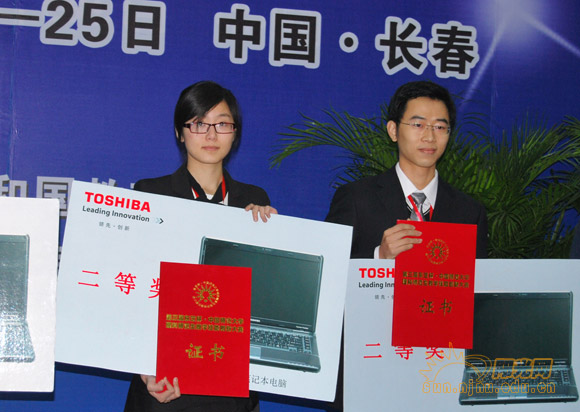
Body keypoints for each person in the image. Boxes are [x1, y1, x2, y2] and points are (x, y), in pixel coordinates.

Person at [324, 80, 488, 411]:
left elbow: (479, 294)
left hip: (438, 372)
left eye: (440, 126)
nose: (429, 136)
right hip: (369, 367)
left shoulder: (469, 211)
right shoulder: (356, 198)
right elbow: (327, 279)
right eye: (418, 124)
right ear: (393, 130)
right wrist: (379, 257)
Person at [124, 80, 275, 412]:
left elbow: (265, 295)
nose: (211, 135)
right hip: (165, 379)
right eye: (198, 123)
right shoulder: (150, 195)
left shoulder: (254, 201)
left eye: (222, 124)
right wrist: (145, 367)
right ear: (180, 132)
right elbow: (131, 289)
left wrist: (269, 239)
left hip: (231, 382)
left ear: (235, 133)